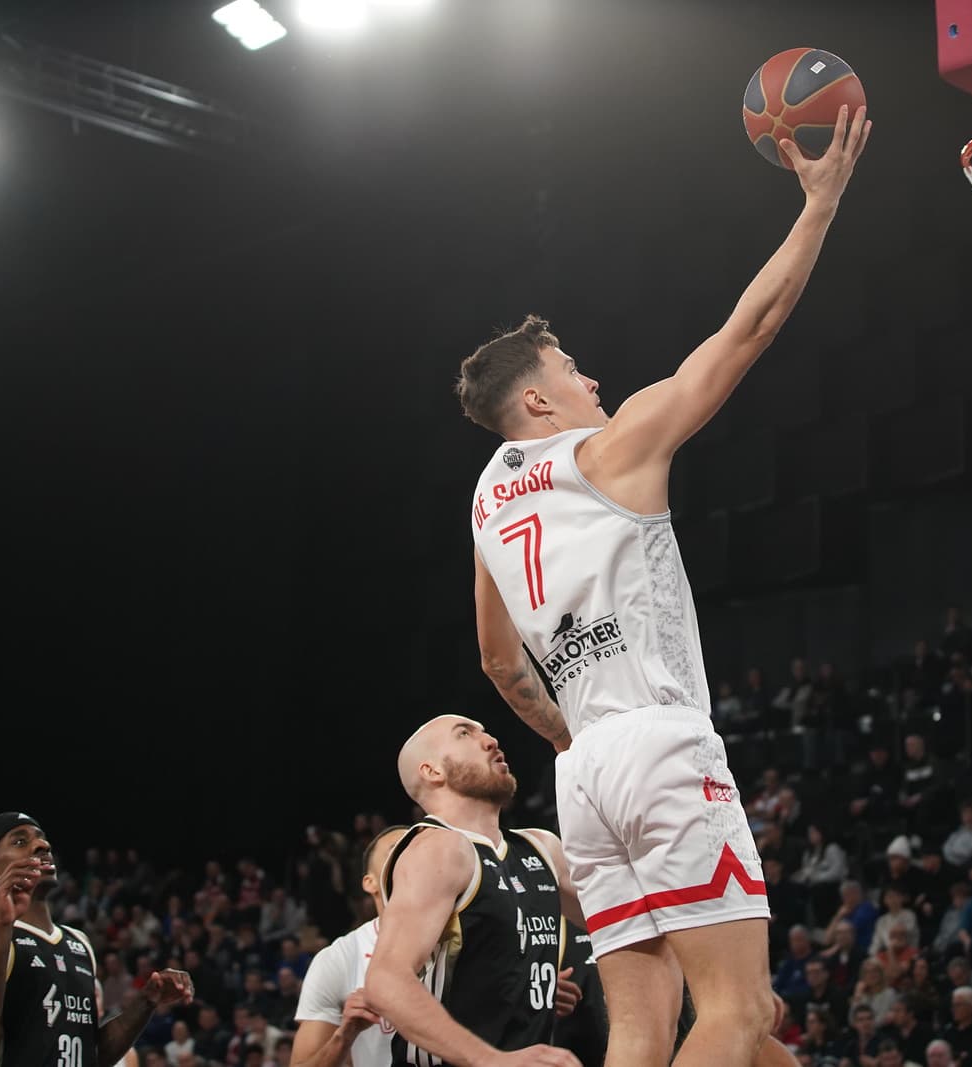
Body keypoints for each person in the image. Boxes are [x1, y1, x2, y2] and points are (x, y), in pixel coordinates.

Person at [456, 101, 871, 1067]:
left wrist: (572, 734)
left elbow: (495, 658)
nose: (592, 378)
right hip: (656, 735)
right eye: (571, 367)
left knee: (643, 1033)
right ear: (537, 398)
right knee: (736, 1009)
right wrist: (820, 203)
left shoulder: (484, 506)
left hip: (585, 771)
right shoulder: (607, 448)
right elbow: (750, 328)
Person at [364, 716, 586, 1067]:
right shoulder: (439, 849)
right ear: (432, 771)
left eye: (486, 730)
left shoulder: (541, 847)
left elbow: (615, 921)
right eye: (465, 734)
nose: (491, 739)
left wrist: (518, 986)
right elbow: (386, 981)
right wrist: (493, 1060)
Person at [0, 812, 194, 1067]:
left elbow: (90, 1055)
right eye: (20, 842)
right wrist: (2, 926)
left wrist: (146, 1002)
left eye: (42, 839)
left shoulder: (79, 943)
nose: (43, 845)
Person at [290, 825, 410, 1067]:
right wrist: (345, 1035)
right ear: (370, 883)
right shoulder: (339, 958)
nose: (412, 857)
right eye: (397, 851)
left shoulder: (476, 939)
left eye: (421, 850)